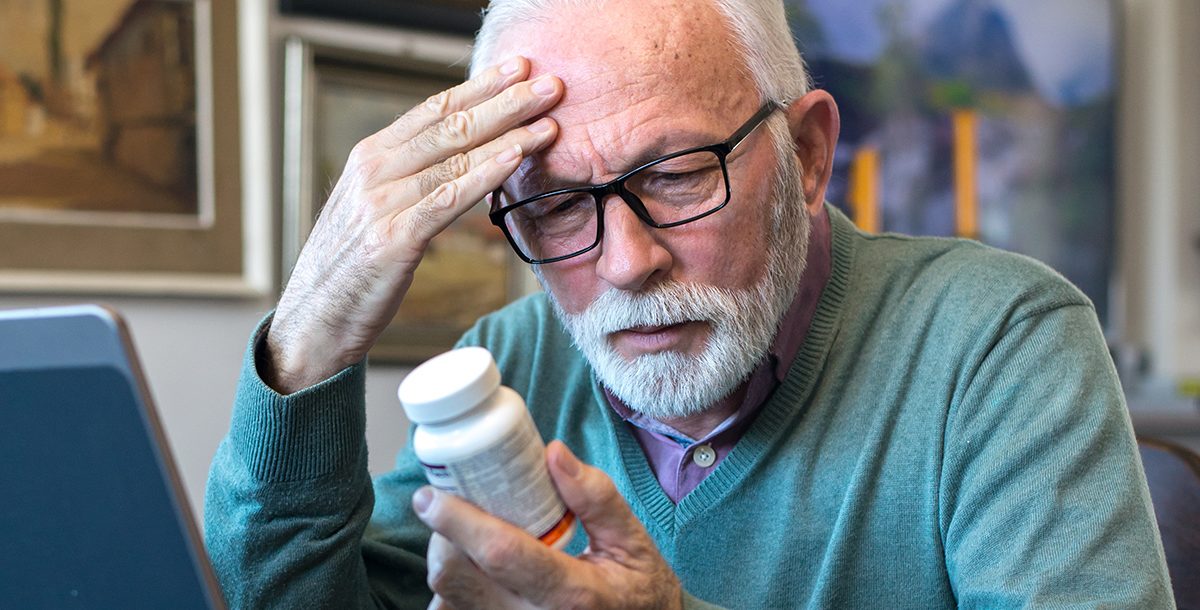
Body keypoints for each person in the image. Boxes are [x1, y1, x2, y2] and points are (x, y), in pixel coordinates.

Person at [204, 0, 1175, 608]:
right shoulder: (512, 360)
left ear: (804, 156)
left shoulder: (1000, 345)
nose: (625, 263)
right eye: (553, 204)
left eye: (673, 177)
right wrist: (314, 323)